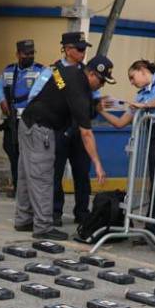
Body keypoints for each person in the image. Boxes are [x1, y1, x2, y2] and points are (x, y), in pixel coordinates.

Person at [15, 54, 113, 241]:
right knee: (43, 177)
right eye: (101, 81)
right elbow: (86, 133)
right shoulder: (80, 91)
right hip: (41, 128)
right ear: (91, 74)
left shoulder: (66, 72)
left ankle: (23, 219)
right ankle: (43, 227)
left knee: (26, 174)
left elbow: (56, 87)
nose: (101, 86)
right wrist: (98, 163)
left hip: (28, 122)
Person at [98, 59, 155, 248]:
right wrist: (101, 111)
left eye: (132, 77)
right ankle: (150, 229)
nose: (132, 82)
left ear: (142, 70)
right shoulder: (140, 96)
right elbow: (121, 123)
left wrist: (145, 106)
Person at [49, 32, 94, 228]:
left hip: (80, 130)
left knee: (82, 173)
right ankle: (55, 211)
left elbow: (93, 97)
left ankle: (82, 212)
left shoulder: (87, 72)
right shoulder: (54, 71)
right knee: (55, 173)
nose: (84, 53)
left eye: (85, 49)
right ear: (67, 49)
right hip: (59, 129)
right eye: (80, 49)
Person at [0, 39, 47, 193]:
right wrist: (1, 100)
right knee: (12, 151)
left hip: (31, 121)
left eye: (32, 53)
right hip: (12, 120)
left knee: (30, 156)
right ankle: (18, 187)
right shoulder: (9, 70)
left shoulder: (41, 71)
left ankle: (29, 188)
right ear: (18, 54)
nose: (30, 56)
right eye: (26, 54)